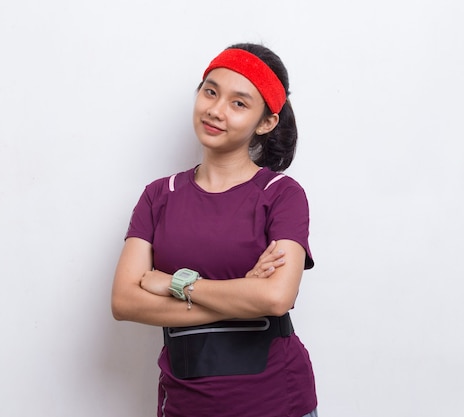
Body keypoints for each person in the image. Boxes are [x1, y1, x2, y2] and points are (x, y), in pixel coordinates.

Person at [111, 42, 318, 417]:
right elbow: (124, 302)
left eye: (239, 103)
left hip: (275, 403)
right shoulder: (160, 195)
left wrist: (176, 284)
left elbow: (275, 299)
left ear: (267, 122)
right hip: (183, 404)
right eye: (210, 91)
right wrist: (241, 299)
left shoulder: (281, 195)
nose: (216, 110)